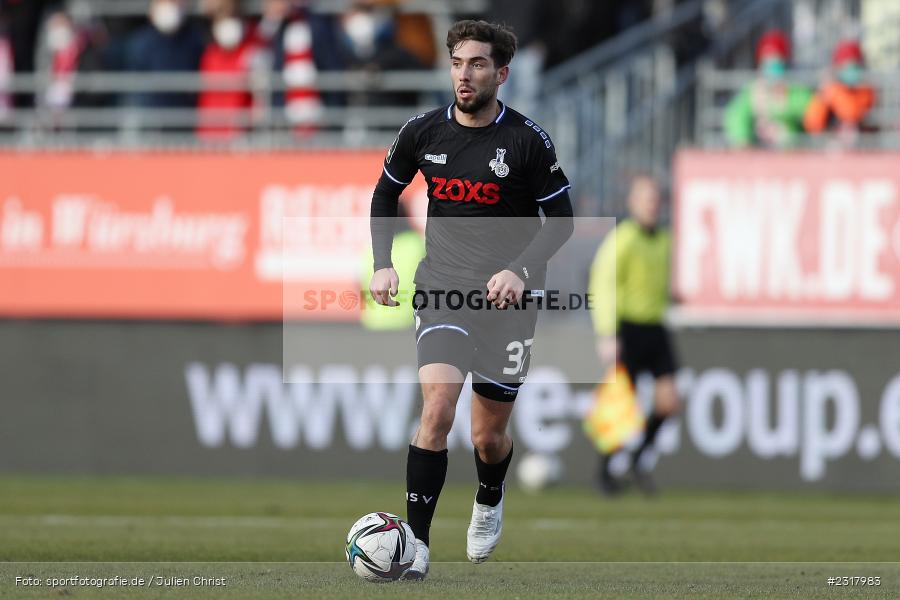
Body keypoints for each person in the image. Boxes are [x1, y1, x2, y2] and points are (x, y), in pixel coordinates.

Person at [368, 20, 573, 579]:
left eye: (478, 64)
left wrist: (520, 269)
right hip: (441, 291)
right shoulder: (422, 133)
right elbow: (385, 194)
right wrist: (384, 263)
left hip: (508, 304)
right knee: (436, 410)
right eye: (458, 62)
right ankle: (416, 545)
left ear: (501, 74)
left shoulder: (528, 141)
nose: (465, 74)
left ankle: (489, 495)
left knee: (489, 435)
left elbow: (562, 221)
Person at [588, 175, 679, 496]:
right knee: (621, 406)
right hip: (627, 329)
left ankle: (638, 460)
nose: (652, 205)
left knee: (669, 402)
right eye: (646, 199)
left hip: (655, 327)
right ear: (633, 203)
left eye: (655, 199)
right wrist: (607, 333)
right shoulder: (623, 239)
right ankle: (604, 473)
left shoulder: (665, 240)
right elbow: (603, 284)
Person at [724, 29, 812, 149]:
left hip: (793, 154)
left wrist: (786, 128)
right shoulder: (753, 92)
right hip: (759, 154)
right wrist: (743, 138)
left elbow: (811, 113)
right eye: (768, 61)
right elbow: (735, 116)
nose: (772, 67)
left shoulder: (796, 91)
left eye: (777, 61)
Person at [125, 0, 205, 112]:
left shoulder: (195, 40)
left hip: (184, 113)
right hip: (151, 115)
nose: (169, 5)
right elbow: (135, 89)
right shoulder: (140, 43)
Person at [804, 39, 876, 147]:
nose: (851, 71)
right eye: (846, 66)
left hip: (863, 147)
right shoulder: (828, 89)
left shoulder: (866, 91)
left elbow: (854, 115)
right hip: (832, 145)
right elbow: (812, 123)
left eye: (854, 66)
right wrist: (825, 94)